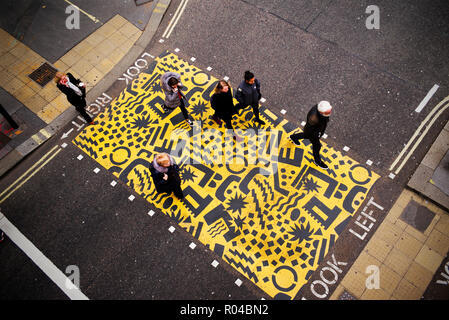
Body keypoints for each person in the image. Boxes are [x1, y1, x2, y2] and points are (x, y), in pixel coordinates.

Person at [289, 101, 332, 169]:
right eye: (327, 112)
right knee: (317, 146)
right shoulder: (314, 119)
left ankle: (293, 137)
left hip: (312, 131)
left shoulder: (318, 110)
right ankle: (318, 161)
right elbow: (311, 131)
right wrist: (317, 136)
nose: (329, 113)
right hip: (313, 133)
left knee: (305, 135)